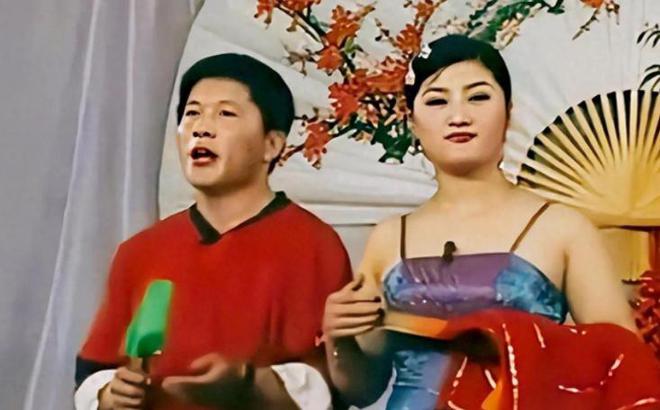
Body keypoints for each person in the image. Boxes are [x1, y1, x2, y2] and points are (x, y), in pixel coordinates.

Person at [321, 35, 657, 409]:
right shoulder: (388, 237)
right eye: (437, 101)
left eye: (478, 97)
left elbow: (621, 364)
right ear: (412, 122)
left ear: (509, 112)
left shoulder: (562, 227)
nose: (459, 116)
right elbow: (362, 389)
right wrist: (339, 337)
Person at [75, 53, 352, 410]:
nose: (201, 128)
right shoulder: (139, 252)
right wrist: (109, 394)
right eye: (192, 113)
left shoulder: (313, 245)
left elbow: (337, 382)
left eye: (226, 114)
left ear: (272, 145)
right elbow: (94, 369)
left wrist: (250, 385)